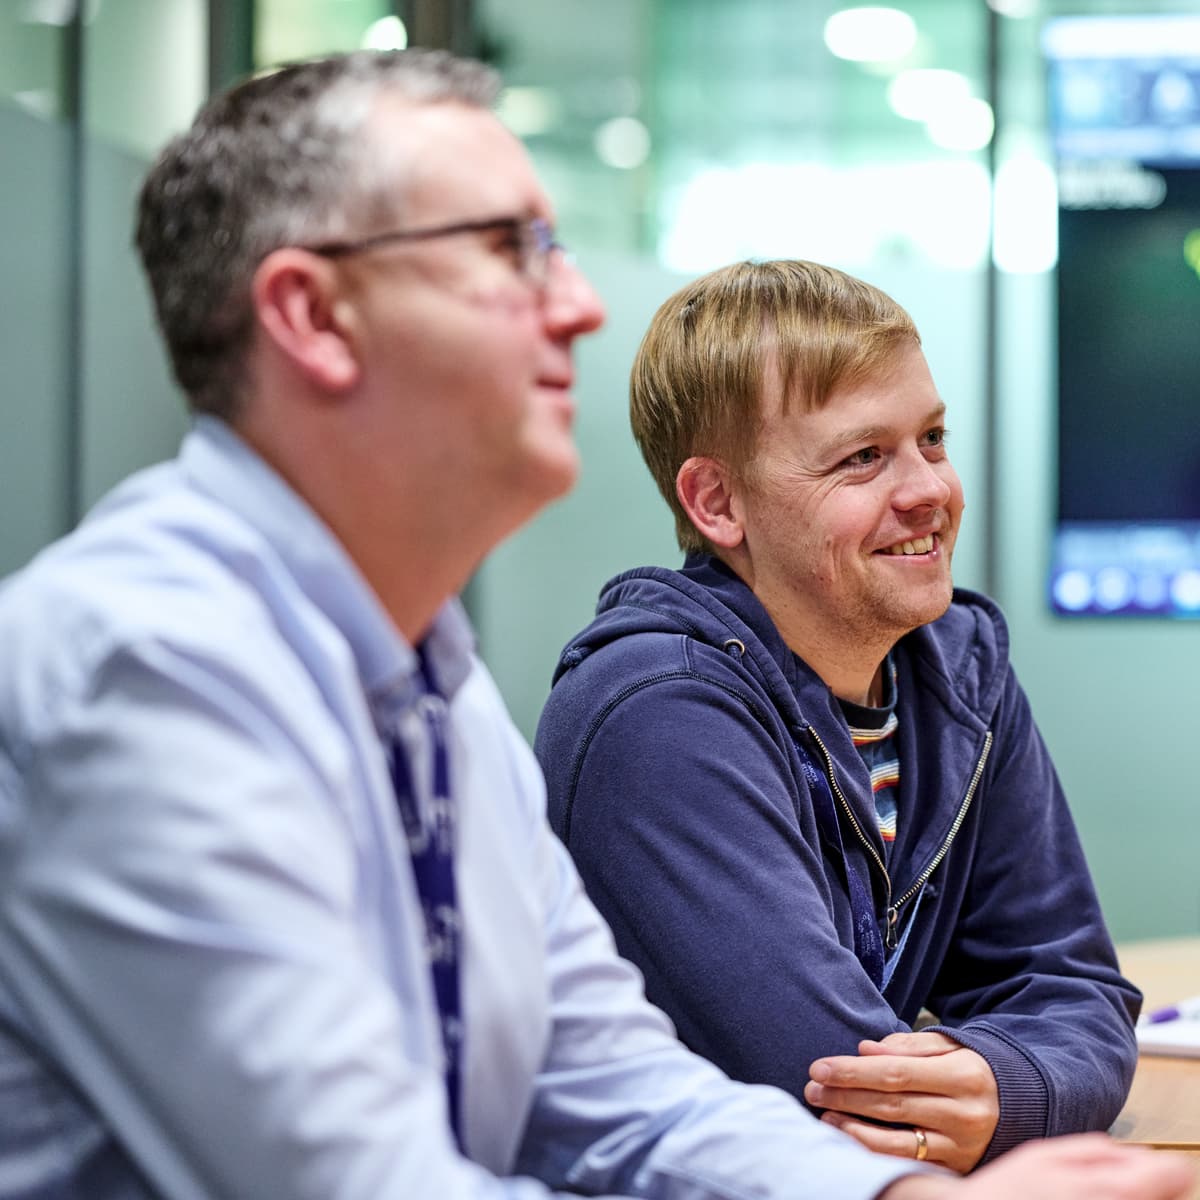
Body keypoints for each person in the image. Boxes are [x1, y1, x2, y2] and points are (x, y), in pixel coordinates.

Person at [0, 49, 1188, 1200]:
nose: (575, 304)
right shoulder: (146, 669)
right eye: (510, 251)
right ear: (313, 316)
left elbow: (618, 1090)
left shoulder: (433, 686)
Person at [536, 259, 1145, 1177]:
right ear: (717, 503)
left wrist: (1010, 1082)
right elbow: (832, 1088)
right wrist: (1013, 1087)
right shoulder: (654, 716)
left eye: (931, 439)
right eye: (863, 458)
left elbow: (1075, 988)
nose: (930, 492)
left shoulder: (958, 673)